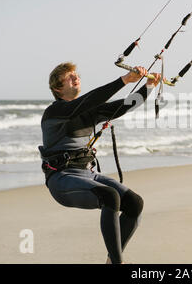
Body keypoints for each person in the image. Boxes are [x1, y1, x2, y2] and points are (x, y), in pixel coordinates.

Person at [39, 62, 161, 264]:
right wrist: (124, 80)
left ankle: (111, 261)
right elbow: (86, 102)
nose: (75, 78)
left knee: (134, 203)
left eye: (76, 74)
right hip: (62, 180)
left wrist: (148, 86)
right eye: (69, 77)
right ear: (57, 88)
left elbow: (124, 105)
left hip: (87, 174)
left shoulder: (89, 112)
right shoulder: (54, 113)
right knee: (110, 196)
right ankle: (117, 262)